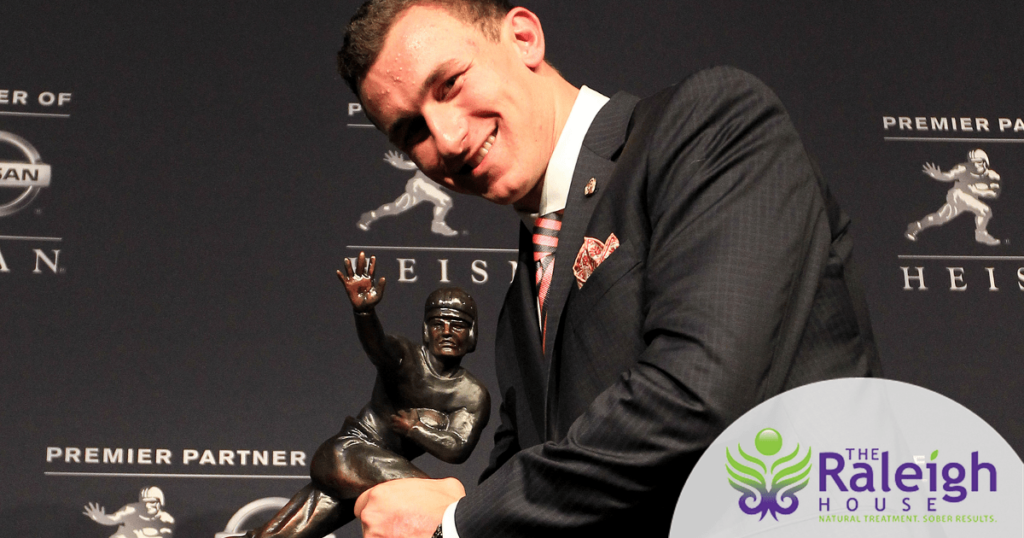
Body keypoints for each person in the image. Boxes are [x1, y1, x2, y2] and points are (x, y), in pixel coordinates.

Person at [337, 2, 881, 537]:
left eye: (450, 84)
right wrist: (444, 505)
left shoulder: (708, 122)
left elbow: (697, 395)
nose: (447, 139)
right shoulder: (518, 309)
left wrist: (458, 521)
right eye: (411, 131)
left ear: (524, 39)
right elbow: (537, 490)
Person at [244, 253, 490, 537]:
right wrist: (365, 313)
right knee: (435, 503)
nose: (447, 332)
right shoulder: (404, 356)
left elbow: (457, 447)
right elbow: (378, 347)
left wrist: (416, 429)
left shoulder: (472, 395)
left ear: (471, 334)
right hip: (347, 453)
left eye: (457, 325)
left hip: (372, 474)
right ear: (426, 330)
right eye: (438, 324)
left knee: (287, 531)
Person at [905, 149, 1001, 245]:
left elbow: (994, 193)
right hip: (958, 195)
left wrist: (977, 191)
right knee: (985, 210)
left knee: (939, 218)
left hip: (969, 199)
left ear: (985, 162)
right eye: (973, 163)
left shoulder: (992, 176)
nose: (975, 165)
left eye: (978, 162)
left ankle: (916, 226)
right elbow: (949, 175)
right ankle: (980, 234)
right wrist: (940, 175)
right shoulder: (963, 168)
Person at [357, 150, 459, 236]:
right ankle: (437, 224)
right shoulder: (433, 157)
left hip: (426, 189)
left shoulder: (455, 164)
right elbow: (412, 164)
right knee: (445, 201)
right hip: (419, 185)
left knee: (396, 208)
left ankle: (371, 215)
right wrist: (400, 164)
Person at [83, 486, 175, 537]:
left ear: (160, 502)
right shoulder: (131, 510)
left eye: (151, 502)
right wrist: (101, 518)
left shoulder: (166, 519)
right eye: (144, 502)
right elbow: (114, 519)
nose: (147, 506)